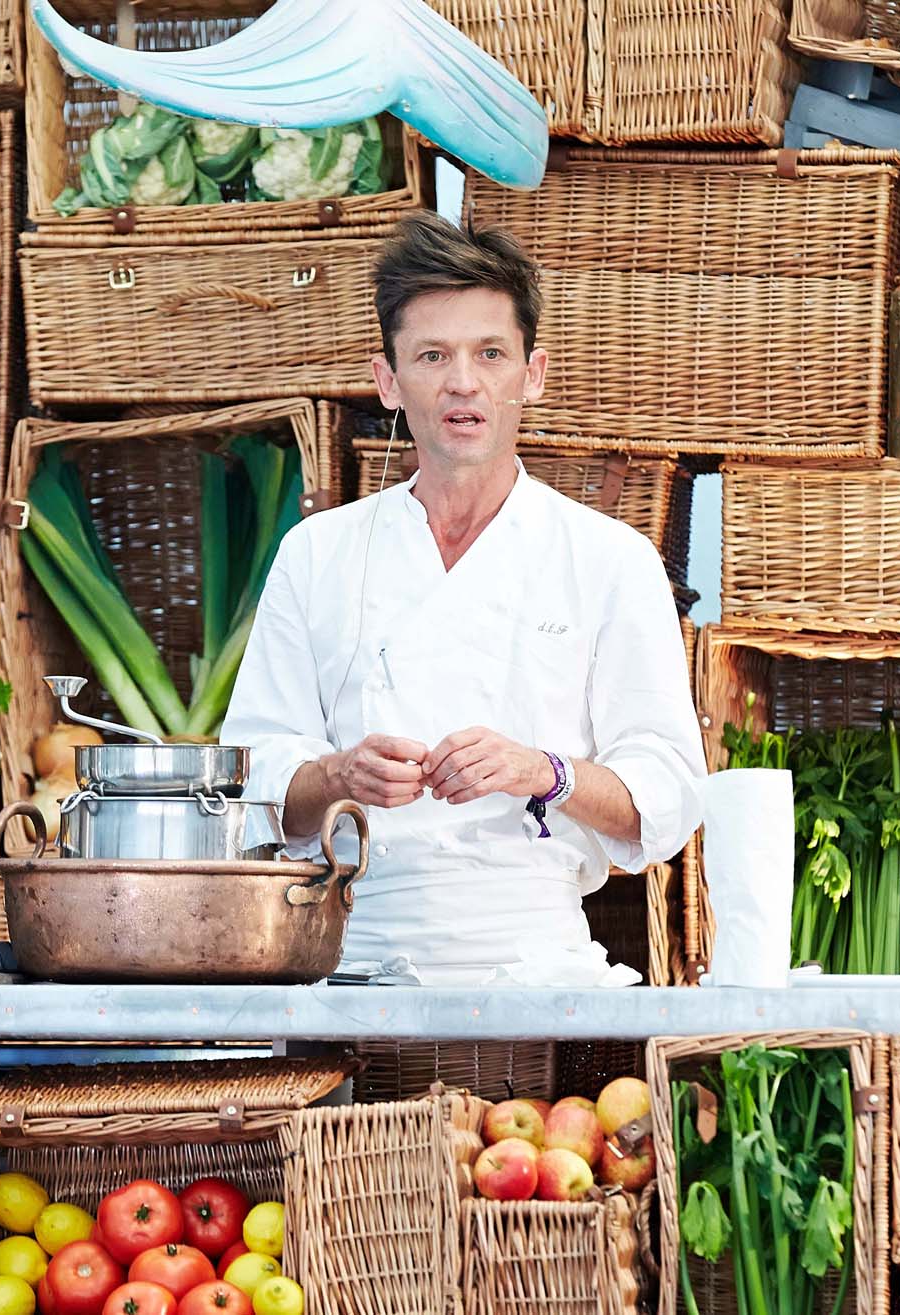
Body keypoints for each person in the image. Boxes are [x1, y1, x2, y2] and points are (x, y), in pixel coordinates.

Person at [223, 210, 705, 984]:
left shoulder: (610, 558)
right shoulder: (318, 553)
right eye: (432, 355)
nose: (463, 382)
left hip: (543, 975)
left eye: (490, 353)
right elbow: (249, 787)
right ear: (388, 381)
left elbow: (668, 799)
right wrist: (340, 775)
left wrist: (540, 770)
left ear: (532, 374)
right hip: (348, 966)